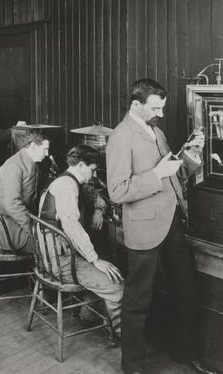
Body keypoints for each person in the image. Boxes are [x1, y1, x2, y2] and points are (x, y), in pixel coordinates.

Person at [106, 79, 213, 374]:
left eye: (162, 108)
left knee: (187, 290)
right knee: (138, 301)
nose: (161, 114)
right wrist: (155, 174)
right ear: (135, 105)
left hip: (171, 224)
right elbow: (117, 191)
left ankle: (188, 353)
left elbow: (174, 177)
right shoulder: (120, 137)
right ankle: (133, 367)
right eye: (155, 108)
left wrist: (190, 156)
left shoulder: (156, 131)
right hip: (143, 230)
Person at [39, 145, 123, 334]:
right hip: (58, 261)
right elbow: (71, 226)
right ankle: (123, 337)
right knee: (117, 285)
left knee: (105, 261)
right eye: (92, 170)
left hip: (50, 253)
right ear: (82, 165)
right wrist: (95, 259)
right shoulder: (66, 185)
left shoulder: (62, 180)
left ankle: (89, 313)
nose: (93, 175)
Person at [0, 131, 49, 253]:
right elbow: (12, 205)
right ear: (33, 146)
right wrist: (33, 228)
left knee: (55, 237)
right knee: (54, 244)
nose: (47, 154)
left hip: (18, 222)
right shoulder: (13, 166)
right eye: (45, 149)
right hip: (10, 231)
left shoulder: (31, 163)